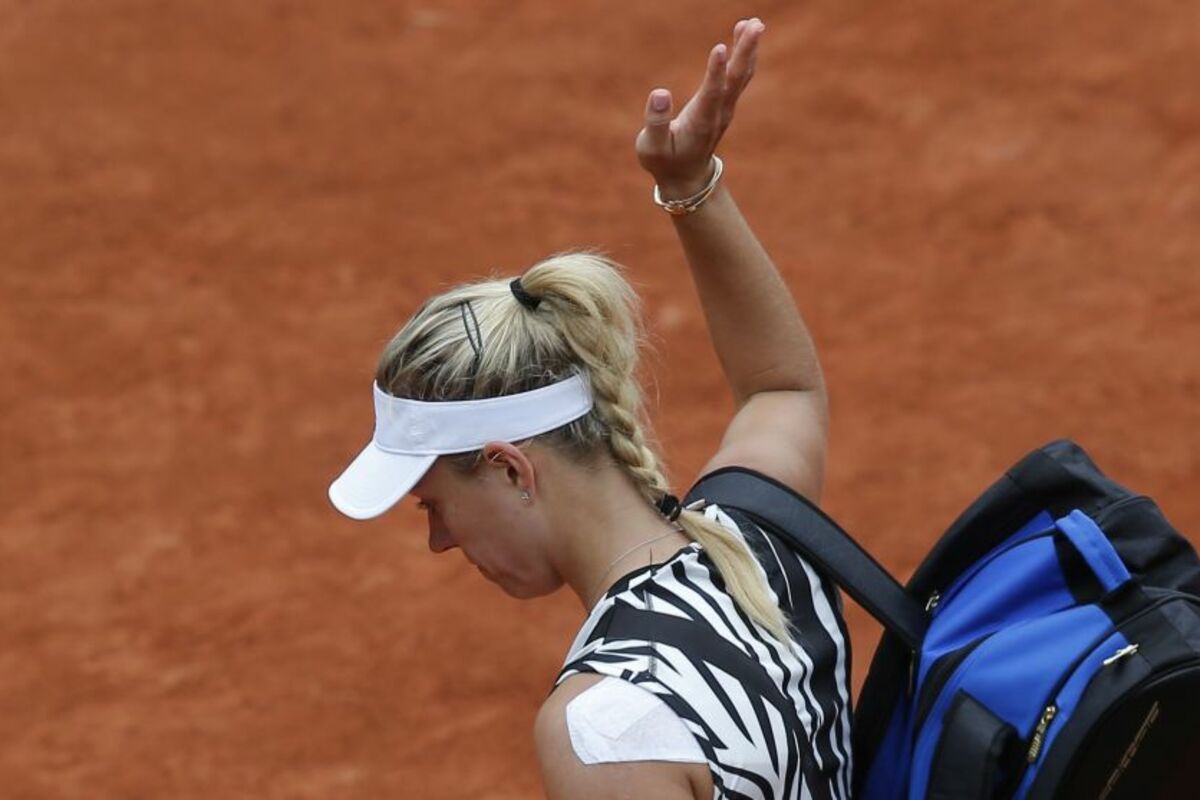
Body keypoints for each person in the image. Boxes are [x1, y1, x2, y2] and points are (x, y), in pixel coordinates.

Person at [328, 17, 852, 800]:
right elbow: (782, 389)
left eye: (433, 503)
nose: (439, 540)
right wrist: (690, 186)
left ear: (511, 469)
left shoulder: (608, 730)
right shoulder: (760, 539)